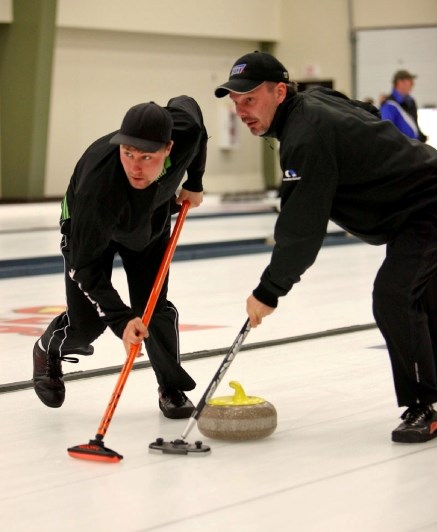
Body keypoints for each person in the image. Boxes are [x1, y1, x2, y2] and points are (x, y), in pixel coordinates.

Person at [215, 51, 437, 444]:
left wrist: (270, 290)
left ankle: (424, 406)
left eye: (249, 99)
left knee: (395, 296)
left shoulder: (306, 135)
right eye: (236, 102)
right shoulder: (311, 105)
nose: (241, 111)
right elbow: (364, 110)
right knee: (420, 299)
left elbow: (302, 227)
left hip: (426, 209)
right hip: (415, 210)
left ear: (279, 91)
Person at [33, 96, 208, 419]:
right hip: (92, 230)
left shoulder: (186, 132)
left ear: (168, 148)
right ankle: (49, 348)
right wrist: (122, 320)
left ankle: (171, 387)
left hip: (149, 224)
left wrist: (194, 181)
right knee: (86, 327)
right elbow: (84, 267)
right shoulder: (98, 188)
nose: (136, 166)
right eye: (128, 153)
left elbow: (191, 114)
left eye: (146, 156)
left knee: (153, 310)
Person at [380, 69, 427, 142]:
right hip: (401, 150)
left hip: (413, 148)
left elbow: (413, 125)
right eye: (409, 81)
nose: (412, 84)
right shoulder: (389, 105)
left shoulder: (410, 102)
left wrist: (421, 137)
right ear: (400, 82)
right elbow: (387, 132)